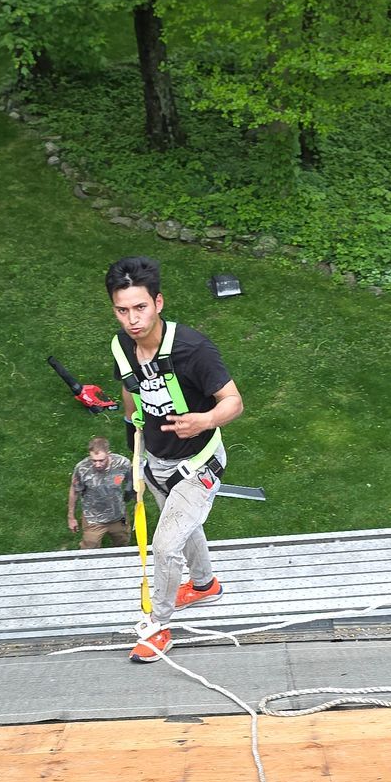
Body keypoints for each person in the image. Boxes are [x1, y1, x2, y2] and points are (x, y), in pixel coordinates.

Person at [104, 255, 244, 662]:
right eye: (122, 309)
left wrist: (204, 420)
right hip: (157, 463)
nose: (132, 319)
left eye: (140, 307)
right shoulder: (121, 346)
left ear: (159, 302)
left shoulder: (192, 349)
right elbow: (131, 388)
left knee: (165, 548)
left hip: (199, 464)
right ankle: (204, 585)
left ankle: (158, 626)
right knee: (184, 529)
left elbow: (234, 402)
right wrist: (133, 432)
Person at [67, 436, 134, 549]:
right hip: (93, 520)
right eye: (94, 460)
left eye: (101, 460)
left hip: (118, 516)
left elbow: (133, 484)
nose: (97, 464)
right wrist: (71, 517)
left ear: (109, 454)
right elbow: (74, 491)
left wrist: (138, 505)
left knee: (122, 545)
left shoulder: (123, 464)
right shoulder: (82, 469)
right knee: (89, 550)